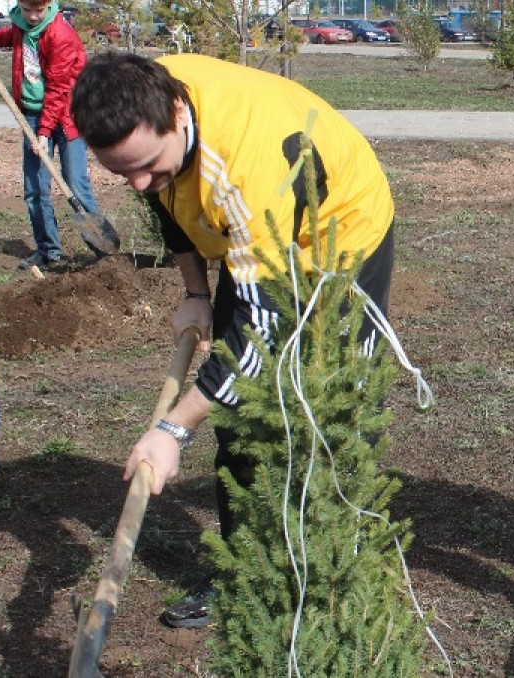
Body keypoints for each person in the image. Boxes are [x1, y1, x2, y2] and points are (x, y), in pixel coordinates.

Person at [71, 52, 396, 629]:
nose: (139, 183)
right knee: (241, 416)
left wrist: (173, 428)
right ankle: (244, 569)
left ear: (176, 113)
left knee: (334, 409)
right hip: (254, 236)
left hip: (339, 234)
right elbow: (170, 202)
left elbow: (258, 332)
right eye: (123, 174)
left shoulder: (244, 166)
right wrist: (196, 291)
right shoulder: (144, 100)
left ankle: (335, 580)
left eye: (145, 165)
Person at [0, 0, 99, 270]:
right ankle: (49, 250)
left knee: (75, 183)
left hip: (67, 115)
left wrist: (44, 133)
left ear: (49, 5)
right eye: (27, 11)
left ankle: (100, 252)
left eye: (39, 11)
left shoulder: (61, 35)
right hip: (33, 116)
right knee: (35, 188)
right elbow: (8, 35)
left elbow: (59, 89)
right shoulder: (21, 25)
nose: (33, 17)